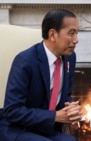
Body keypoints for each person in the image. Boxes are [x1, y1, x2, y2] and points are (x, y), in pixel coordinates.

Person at [0, 9, 82, 141]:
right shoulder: (25, 61)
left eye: (77, 33)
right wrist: (54, 116)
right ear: (52, 34)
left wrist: (71, 108)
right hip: (17, 128)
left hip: (46, 128)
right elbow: (12, 110)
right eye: (71, 33)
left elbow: (65, 95)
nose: (76, 40)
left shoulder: (70, 58)